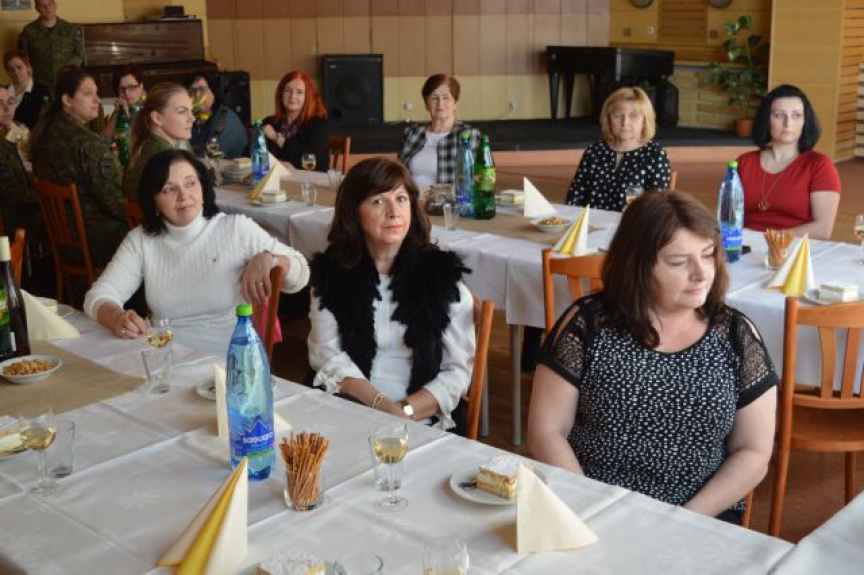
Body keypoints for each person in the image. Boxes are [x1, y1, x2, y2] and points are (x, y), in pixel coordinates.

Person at [527, 191, 777, 525]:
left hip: (700, 516)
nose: (701, 274)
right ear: (638, 265)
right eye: (679, 262)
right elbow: (546, 431)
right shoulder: (589, 324)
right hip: (588, 506)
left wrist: (681, 520)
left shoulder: (735, 335)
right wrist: (589, 509)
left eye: (707, 255)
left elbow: (754, 452)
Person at [84, 150, 310, 358]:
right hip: (165, 355)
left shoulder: (235, 229)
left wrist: (270, 258)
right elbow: (98, 296)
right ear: (154, 201)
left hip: (230, 361)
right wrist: (117, 318)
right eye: (169, 189)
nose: (183, 195)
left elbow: (301, 274)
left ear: (203, 188)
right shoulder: (141, 240)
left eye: (190, 183)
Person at [307, 158, 474, 430]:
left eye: (401, 199)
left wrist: (404, 411)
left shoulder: (442, 278)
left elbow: (456, 373)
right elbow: (328, 357)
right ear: (353, 212)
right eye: (378, 201)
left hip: (422, 419)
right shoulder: (330, 275)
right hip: (347, 407)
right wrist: (382, 408)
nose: (394, 212)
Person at [29, 67, 126, 269]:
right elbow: (116, 203)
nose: (97, 100)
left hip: (61, 242)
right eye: (88, 94)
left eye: (97, 93)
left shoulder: (44, 134)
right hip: (96, 242)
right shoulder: (87, 143)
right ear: (67, 100)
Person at [737, 84, 841, 240]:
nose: (788, 123)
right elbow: (728, 216)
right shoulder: (743, 163)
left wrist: (770, 239)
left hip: (794, 248)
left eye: (796, 115)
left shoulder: (819, 166)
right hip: (745, 246)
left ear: (805, 121)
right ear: (766, 120)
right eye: (779, 115)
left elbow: (822, 229)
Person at [565, 86, 671, 211]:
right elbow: (574, 198)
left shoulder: (655, 154)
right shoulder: (594, 151)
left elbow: (657, 208)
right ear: (608, 118)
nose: (625, 123)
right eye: (618, 115)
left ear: (645, 120)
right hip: (592, 222)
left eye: (633, 116)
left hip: (633, 222)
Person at [398, 74, 481, 189]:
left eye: (446, 98)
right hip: (412, 198)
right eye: (434, 98)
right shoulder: (412, 133)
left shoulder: (469, 135)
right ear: (426, 104)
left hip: (449, 199)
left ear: (455, 103)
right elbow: (399, 173)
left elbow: (482, 175)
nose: (440, 103)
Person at [124, 83, 193, 201]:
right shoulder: (167, 159)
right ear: (157, 118)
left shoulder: (145, 147)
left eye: (191, 111)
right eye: (182, 111)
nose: (192, 118)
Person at [262, 71, 328, 171]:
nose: (292, 96)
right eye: (288, 91)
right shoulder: (270, 122)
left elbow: (311, 163)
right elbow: (250, 154)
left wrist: (277, 138)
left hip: (310, 180)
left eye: (299, 92)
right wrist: (277, 164)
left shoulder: (318, 125)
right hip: (275, 178)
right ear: (281, 94)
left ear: (307, 97)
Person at [16, 0, 84, 95]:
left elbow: (79, 54)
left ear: (55, 5)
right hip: (40, 83)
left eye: (49, 4)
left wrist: (69, 69)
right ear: (37, 9)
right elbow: (23, 58)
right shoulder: (29, 31)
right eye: (42, 6)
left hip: (65, 81)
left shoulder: (70, 29)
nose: (47, 8)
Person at [0, 85, 40, 241]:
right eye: (0, 104)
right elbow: (14, 193)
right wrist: (43, 195)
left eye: (10, 102)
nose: (7, 108)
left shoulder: (17, 133)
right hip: (12, 222)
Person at [185, 73, 248, 159]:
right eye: (192, 91)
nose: (197, 95)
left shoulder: (225, 119)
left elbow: (212, 154)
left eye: (202, 89)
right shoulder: (193, 117)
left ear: (213, 93)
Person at [102, 65, 146, 167]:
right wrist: (117, 112)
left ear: (141, 87)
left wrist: (126, 113)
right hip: (124, 167)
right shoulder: (120, 109)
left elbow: (140, 137)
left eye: (131, 88)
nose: (126, 93)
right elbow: (104, 141)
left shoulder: (149, 108)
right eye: (122, 89)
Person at [3, 51, 50, 130]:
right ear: (7, 72)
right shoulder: (3, 91)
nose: (16, 72)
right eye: (11, 69)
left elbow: (46, 121)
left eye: (19, 67)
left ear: (28, 67)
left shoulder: (42, 91)